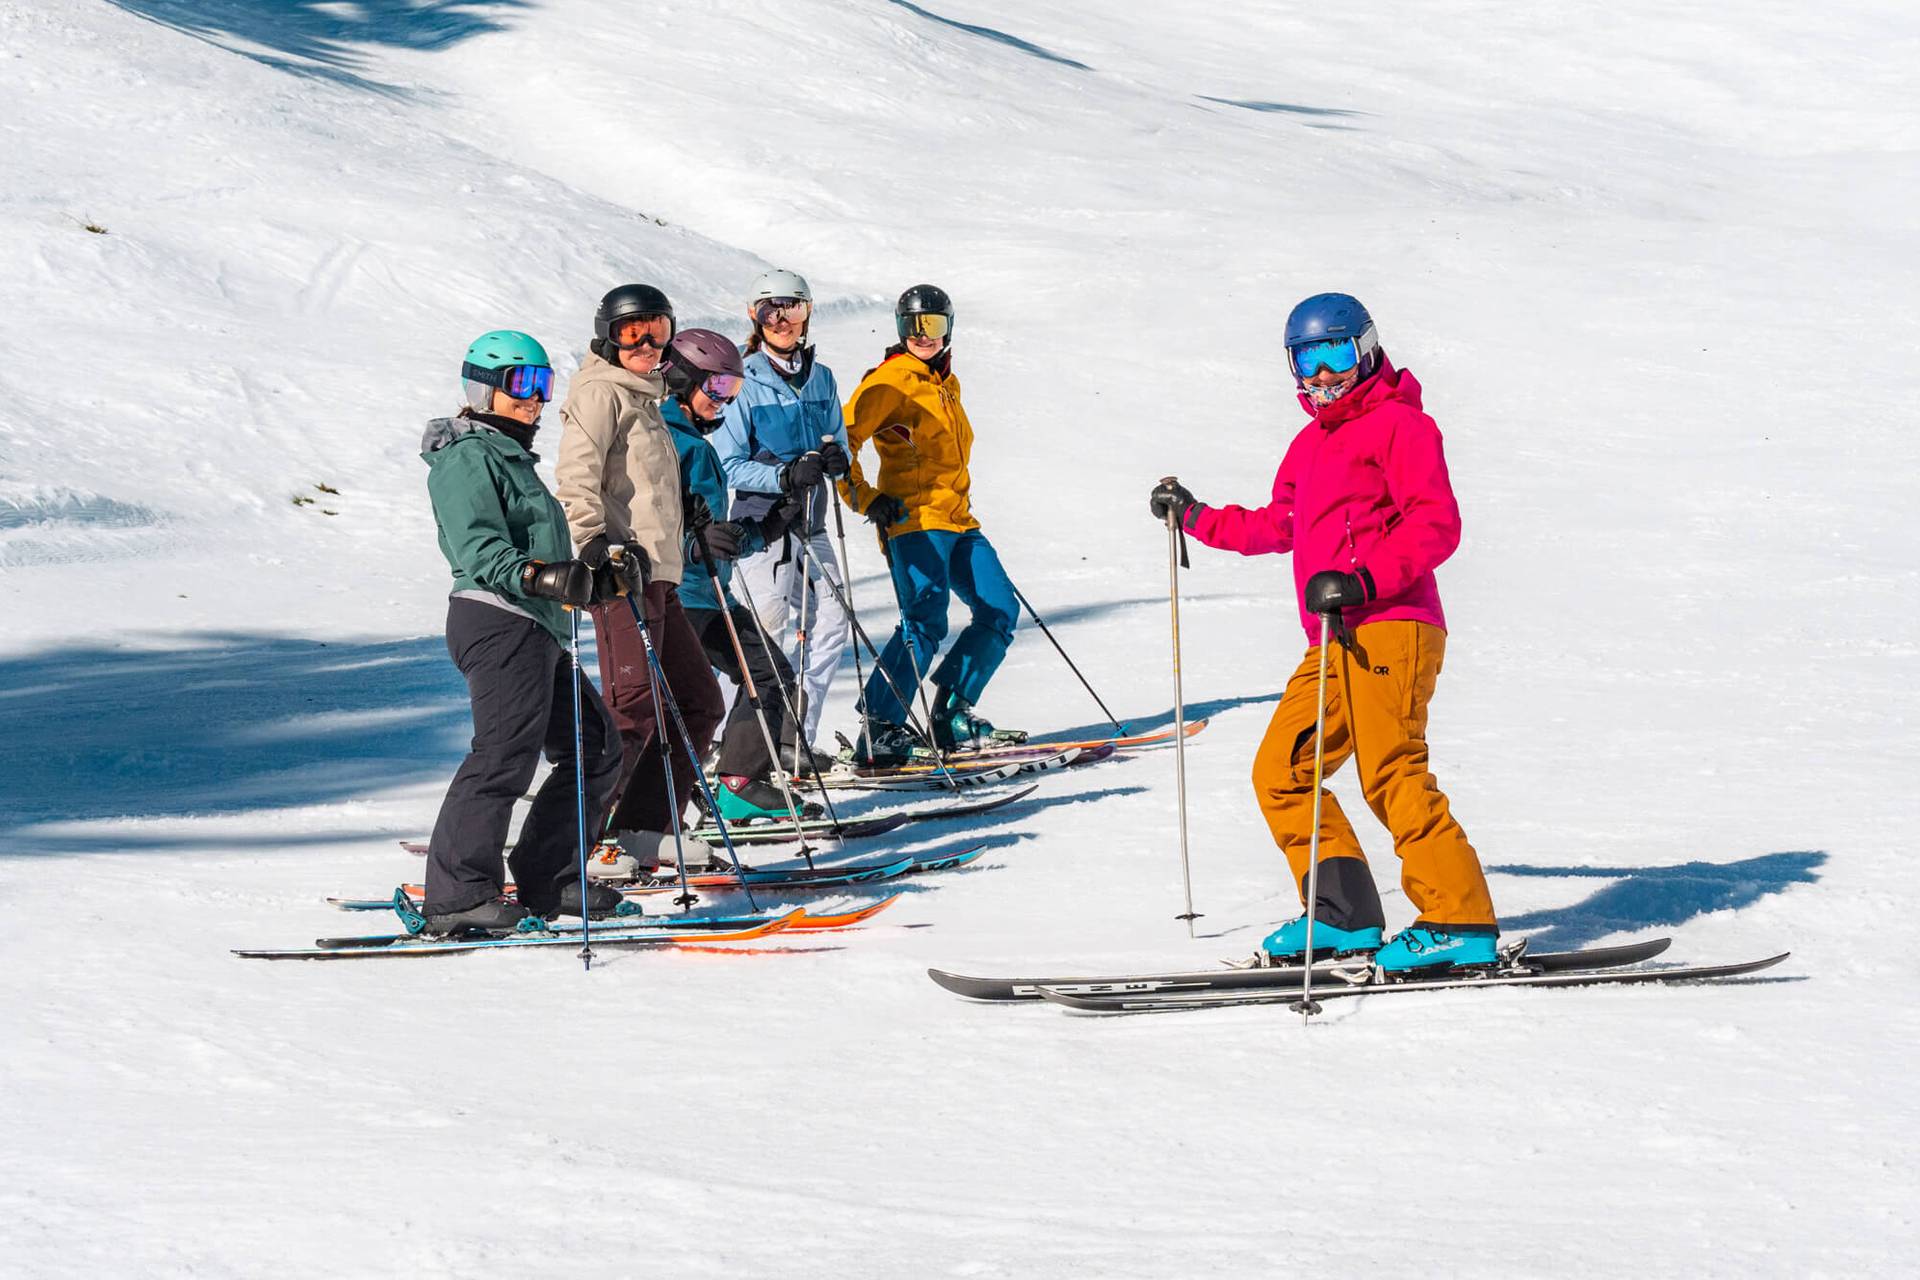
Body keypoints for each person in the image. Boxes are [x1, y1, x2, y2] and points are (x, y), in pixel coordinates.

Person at [1149, 292, 1499, 974]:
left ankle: (1459, 919)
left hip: (1393, 624)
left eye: (1335, 354)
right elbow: (1276, 527)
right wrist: (1193, 516)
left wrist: (1365, 579)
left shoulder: (1402, 427)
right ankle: (1343, 917)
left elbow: (1436, 524)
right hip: (1334, 638)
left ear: (1365, 349)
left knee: (1392, 771)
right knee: (1282, 771)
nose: (1322, 375)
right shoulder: (1310, 445)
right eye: (1306, 359)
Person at [419, 330, 627, 932]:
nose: (533, 398)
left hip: (537, 626)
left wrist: (594, 578)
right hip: (497, 619)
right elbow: (480, 546)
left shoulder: (510, 455)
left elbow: (547, 557)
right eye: (520, 384)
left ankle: (549, 877)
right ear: (484, 389)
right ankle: (457, 897)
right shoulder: (467, 456)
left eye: (542, 385)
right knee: (503, 756)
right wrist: (542, 577)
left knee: (593, 750)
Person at [557, 285, 727, 870]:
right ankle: (581, 836)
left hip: (658, 573)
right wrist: (594, 541)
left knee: (699, 702)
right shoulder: (600, 391)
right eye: (633, 332)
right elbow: (577, 476)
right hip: (620, 575)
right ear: (609, 333)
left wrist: (687, 509)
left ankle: (641, 826)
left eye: (659, 329)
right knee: (630, 707)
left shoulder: (646, 397)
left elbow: (643, 486)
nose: (648, 343)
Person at [838, 284, 1025, 767]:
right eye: (913, 327)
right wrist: (866, 498)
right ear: (900, 330)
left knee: (999, 609)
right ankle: (880, 727)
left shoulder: (945, 381)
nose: (923, 336)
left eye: (934, 326)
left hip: (959, 519)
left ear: (949, 329)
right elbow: (841, 443)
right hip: (913, 521)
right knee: (923, 624)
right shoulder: (889, 381)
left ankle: (951, 714)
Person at [656, 328, 818, 820]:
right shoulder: (669, 443)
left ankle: (712, 783)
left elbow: (714, 535)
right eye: (717, 389)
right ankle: (737, 784)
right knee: (767, 677)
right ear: (684, 382)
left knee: (743, 684)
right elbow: (654, 522)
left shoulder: (693, 442)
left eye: (733, 390)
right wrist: (693, 546)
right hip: (684, 596)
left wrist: (771, 524)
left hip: (707, 592)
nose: (724, 401)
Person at [713, 269, 850, 773]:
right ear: (755, 315)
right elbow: (729, 464)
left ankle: (795, 735)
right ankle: (743, 746)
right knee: (767, 631)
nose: (783, 319)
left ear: (808, 313)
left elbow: (839, 437)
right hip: (761, 528)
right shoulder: (743, 379)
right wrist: (785, 474)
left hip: (811, 524)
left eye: (794, 308)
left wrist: (839, 459)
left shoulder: (823, 377)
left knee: (834, 621)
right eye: (772, 309)